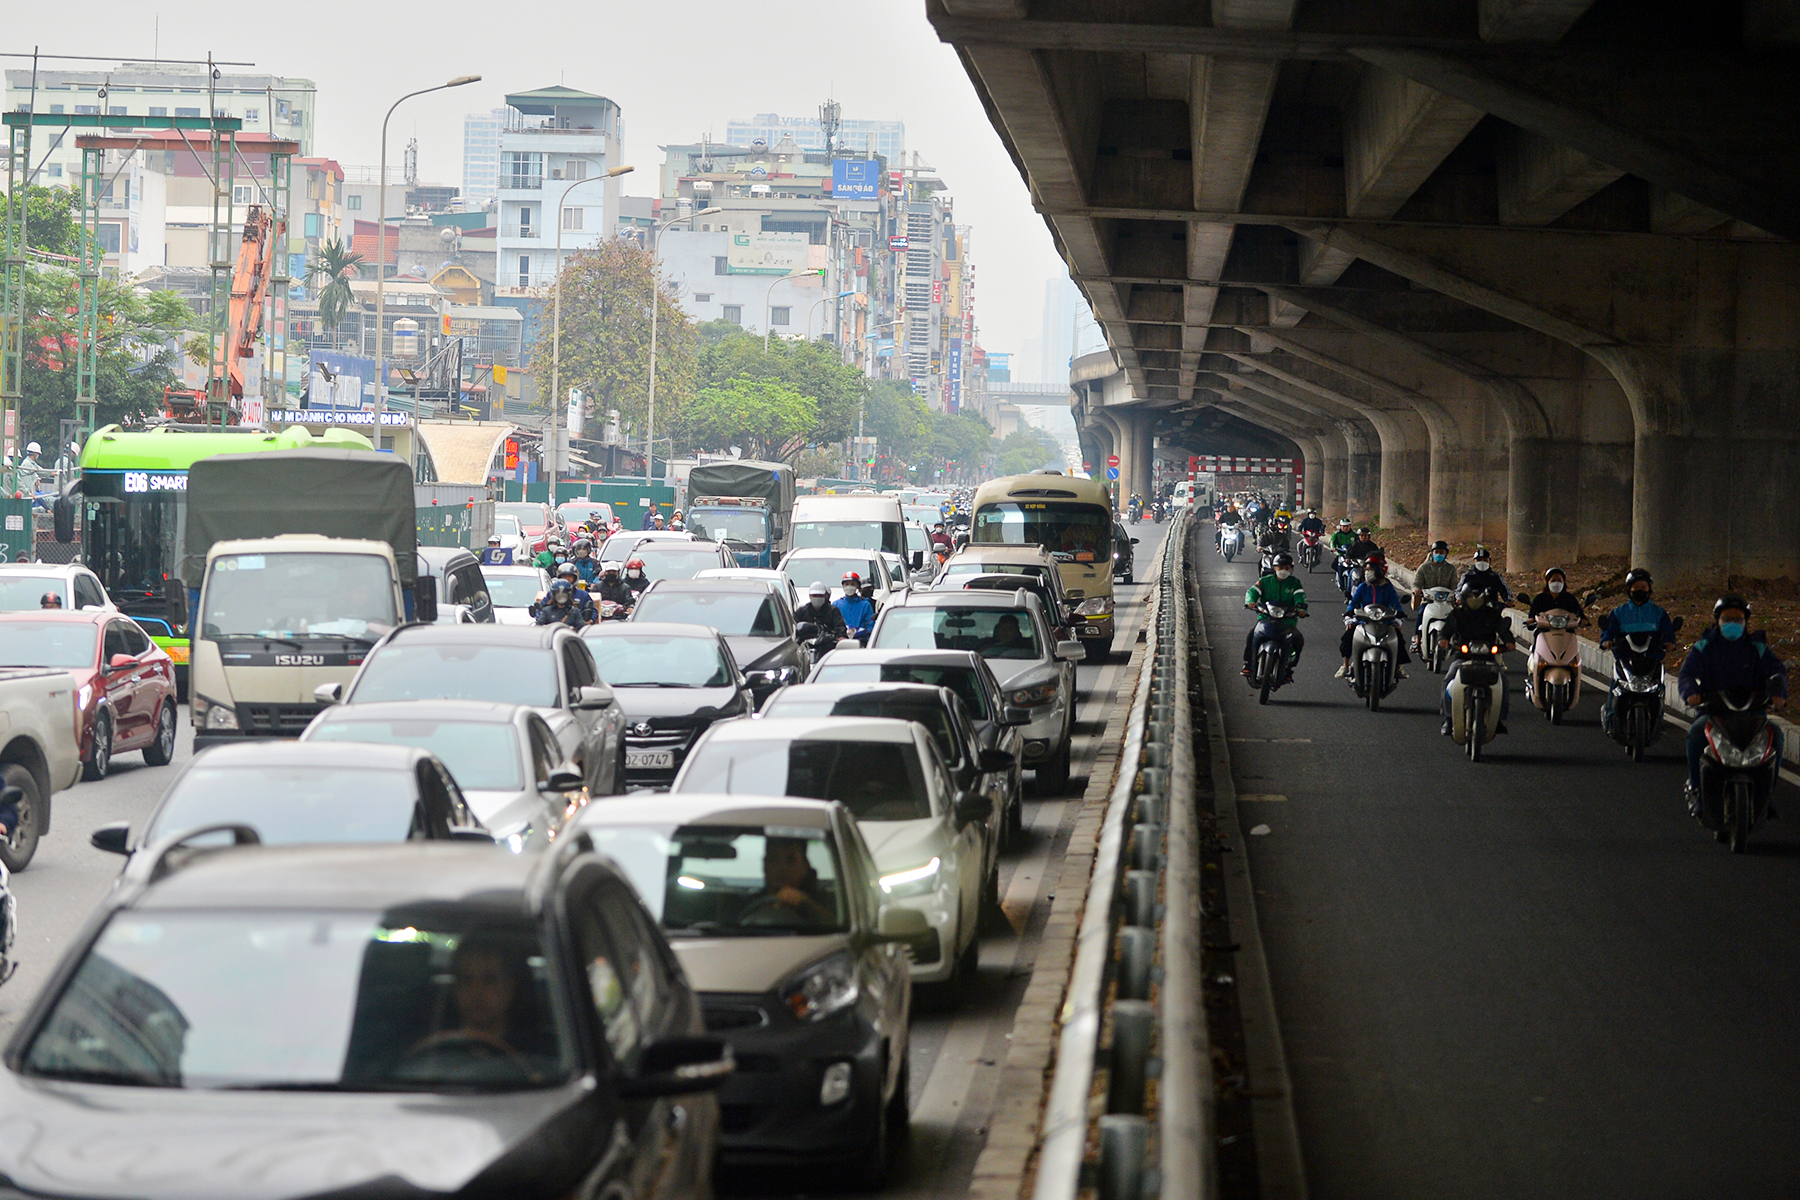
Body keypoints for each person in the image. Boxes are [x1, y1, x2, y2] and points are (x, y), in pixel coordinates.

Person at [1677, 595, 1789, 814]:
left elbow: (1777, 671)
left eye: (1738, 619)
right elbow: (1687, 674)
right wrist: (1691, 693)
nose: (1732, 624)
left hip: (1752, 714)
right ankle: (1697, 790)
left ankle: (1767, 796)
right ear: (1717, 620)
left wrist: (1778, 692)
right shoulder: (1704, 648)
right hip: (1713, 713)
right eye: (1727, 619)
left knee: (1776, 735)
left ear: (1746, 622)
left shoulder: (1757, 648)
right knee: (1695, 735)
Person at [1439, 582, 1510, 735]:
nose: (1475, 600)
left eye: (1478, 597)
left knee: (1503, 681)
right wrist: (1443, 639)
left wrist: (1509, 642)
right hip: (1462, 658)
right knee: (1448, 679)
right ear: (1465, 598)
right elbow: (1446, 630)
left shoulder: (1492, 615)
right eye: (1472, 597)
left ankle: (1498, 719)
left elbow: (1503, 630)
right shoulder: (1457, 615)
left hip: (1488, 659)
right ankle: (1448, 718)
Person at [1338, 552, 1410, 678]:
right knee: (1348, 636)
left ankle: (1398, 667)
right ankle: (1345, 665)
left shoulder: (1387, 588)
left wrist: (1399, 615)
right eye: (1366, 570)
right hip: (1364, 620)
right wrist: (1350, 614)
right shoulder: (1362, 587)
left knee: (1398, 638)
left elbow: (1395, 604)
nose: (1367, 572)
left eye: (1370, 569)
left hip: (1385, 621)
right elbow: (1353, 603)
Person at [743, 837, 836, 928]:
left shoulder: (826, 902)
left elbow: (836, 928)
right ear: (765, 865)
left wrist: (808, 904)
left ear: (805, 866)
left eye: (791, 860)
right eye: (774, 859)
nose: (782, 868)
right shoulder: (748, 904)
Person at [1242, 552, 1308, 679]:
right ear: (1274, 568)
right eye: (1280, 567)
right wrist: (1251, 602)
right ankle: (1247, 664)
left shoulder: (1295, 583)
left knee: (1298, 640)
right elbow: (1253, 591)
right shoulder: (1265, 581)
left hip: (1287, 621)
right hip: (1265, 618)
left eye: (1287, 568)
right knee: (1252, 635)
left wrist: (1301, 608)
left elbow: (1300, 596)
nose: (1283, 570)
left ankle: (1289, 667)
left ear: (1291, 569)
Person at [1410, 540, 1461, 651]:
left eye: (1441, 552)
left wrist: (1457, 596)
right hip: (1428, 601)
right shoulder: (1424, 568)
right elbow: (1416, 583)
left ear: (1446, 554)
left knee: (1455, 617)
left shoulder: (1451, 569)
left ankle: (1456, 640)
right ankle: (1417, 639)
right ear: (1432, 553)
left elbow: (1455, 586)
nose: (1439, 555)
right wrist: (1417, 590)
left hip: (1446, 601)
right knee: (1421, 614)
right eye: (1436, 552)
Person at [834, 572, 875, 642]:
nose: (849, 586)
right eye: (847, 584)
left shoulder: (865, 605)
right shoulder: (836, 604)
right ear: (843, 586)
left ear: (857, 586)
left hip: (860, 644)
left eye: (852, 584)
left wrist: (859, 632)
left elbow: (871, 626)